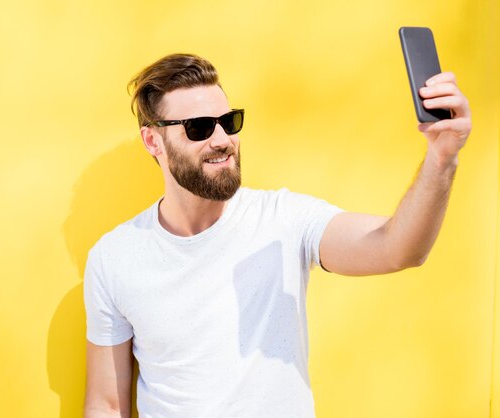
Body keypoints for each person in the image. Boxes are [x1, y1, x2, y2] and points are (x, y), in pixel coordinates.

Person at [83, 53, 471, 417]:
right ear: (154, 141)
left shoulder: (283, 219)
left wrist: (442, 159)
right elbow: (106, 404)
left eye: (228, 121)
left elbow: (397, 249)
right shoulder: (115, 256)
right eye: (199, 128)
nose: (221, 140)